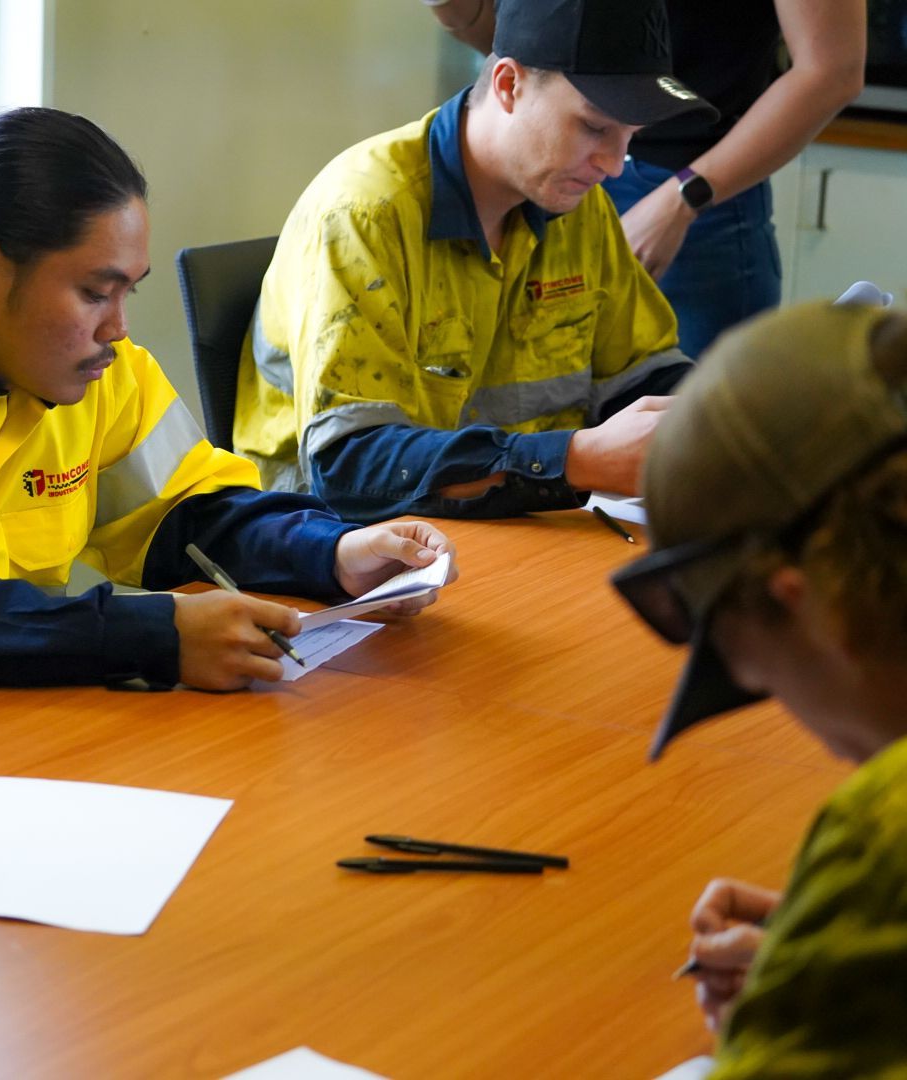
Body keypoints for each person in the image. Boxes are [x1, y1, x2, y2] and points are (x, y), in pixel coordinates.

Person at [0, 107, 454, 705]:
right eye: (95, 292)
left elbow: (186, 514)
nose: (118, 328)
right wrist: (153, 635)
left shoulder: (89, 367)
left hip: (5, 717)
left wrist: (330, 552)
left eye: (129, 290)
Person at [234, 0, 712, 523]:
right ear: (508, 85)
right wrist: (575, 461)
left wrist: (726, 421)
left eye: (631, 136)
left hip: (513, 523)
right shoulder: (364, 214)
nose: (615, 166)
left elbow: (640, 376)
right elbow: (349, 467)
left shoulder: (576, 204)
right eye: (595, 128)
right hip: (342, 546)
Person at [611, 301, 907, 1075]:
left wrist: (794, 1024)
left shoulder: (886, 831)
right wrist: (844, 962)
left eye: (749, 672)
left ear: (795, 599)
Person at [424, 0, 865, 358]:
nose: (612, 163)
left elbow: (833, 69)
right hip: (547, 171)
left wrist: (683, 196)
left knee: (693, 435)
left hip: (691, 198)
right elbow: (531, 41)